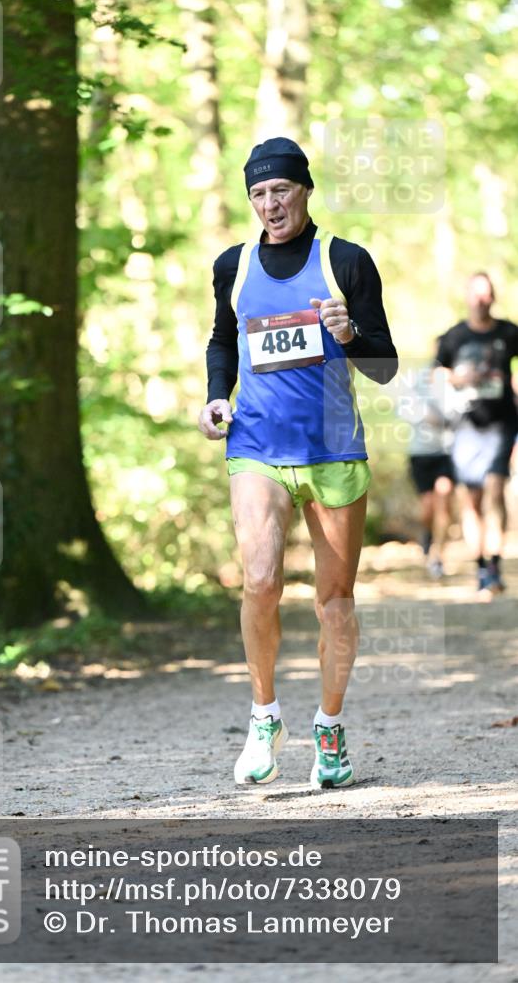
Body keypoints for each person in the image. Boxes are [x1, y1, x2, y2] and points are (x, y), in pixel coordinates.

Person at [197, 137, 397, 789]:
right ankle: (263, 716)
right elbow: (222, 341)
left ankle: (330, 727)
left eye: (280, 189)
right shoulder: (233, 265)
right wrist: (213, 399)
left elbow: (384, 365)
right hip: (255, 444)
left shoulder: (344, 261)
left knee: (334, 602)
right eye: (257, 192)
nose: (269, 203)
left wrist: (351, 335)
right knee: (258, 579)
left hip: (333, 448)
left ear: (303, 189)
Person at [436, 272, 518, 596]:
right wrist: (459, 377)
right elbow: (437, 374)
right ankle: (481, 566)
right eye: (477, 294)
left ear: (493, 298)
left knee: (495, 490)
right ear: (468, 297)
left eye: (487, 294)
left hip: (502, 423)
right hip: (467, 426)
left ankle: (495, 565)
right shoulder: (454, 337)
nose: (482, 300)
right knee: (471, 501)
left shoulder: (509, 332)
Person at [402, 362, 455, 579]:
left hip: (446, 453)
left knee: (444, 499)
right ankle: (427, 535)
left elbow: (458, 414)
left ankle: (437, 556)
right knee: (427, 507)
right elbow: (408, 411)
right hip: (420, 455)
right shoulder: (415, 385)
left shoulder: (451, 386)